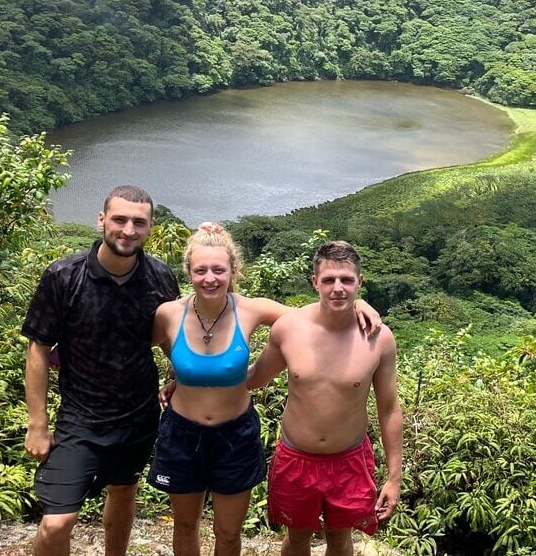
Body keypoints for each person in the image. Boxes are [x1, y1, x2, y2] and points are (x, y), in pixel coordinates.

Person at [149, 223, 382, 556]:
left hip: (234, 434)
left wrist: (358, 305)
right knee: (185, 526)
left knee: (228, 534)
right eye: (201, 270)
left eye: (219, 269)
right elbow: (141, 346)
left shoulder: (250, 308)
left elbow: (317, 316)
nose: (210, 278)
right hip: (182, 433)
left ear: (233, 271)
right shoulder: (168, 314)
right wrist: (184, 375)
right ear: (189, 271)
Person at [22, 185, 180, 556]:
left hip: (138, 414)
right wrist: (37, 423)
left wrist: (180, 376)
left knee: (124, 492)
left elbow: (172, 337)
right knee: (57, 521)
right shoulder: (64, 276)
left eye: (138, 222)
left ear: (151, 227)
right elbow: (38, 348)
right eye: (119, 219)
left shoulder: (159, 277)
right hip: (80, 418)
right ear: (102, 220)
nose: (128, 230)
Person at [247, 240, 402, 556]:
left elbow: (389, 409)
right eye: (329, 280)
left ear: (360, 282)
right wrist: (191, 377)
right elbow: (253, 379)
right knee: (297, 537)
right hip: (295, 457)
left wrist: (395, 478)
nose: (338, 288)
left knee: (340, 539)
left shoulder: (378, 339)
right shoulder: (289, 328)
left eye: (346, 280)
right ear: (315, 282)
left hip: (349, 459)